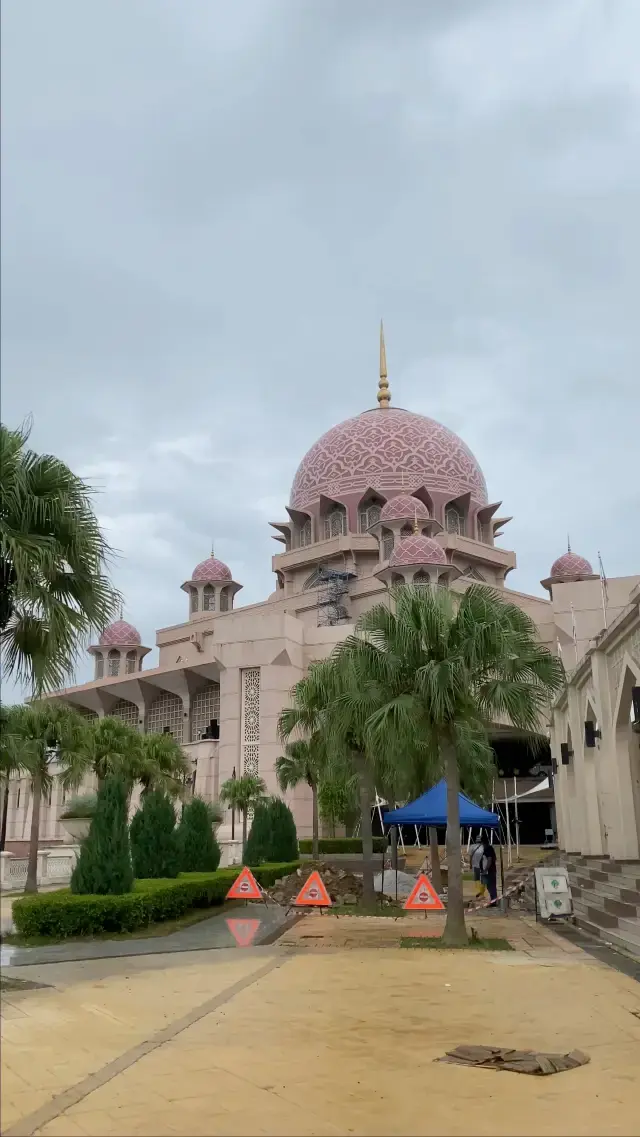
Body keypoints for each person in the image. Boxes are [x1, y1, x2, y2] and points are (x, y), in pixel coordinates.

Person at [480, 840, 498, 906]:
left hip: (489, 871)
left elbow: (489, 860)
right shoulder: (486, 849)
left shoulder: (488, 850)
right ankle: (493, 900)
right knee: (489, 886)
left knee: (491, 886)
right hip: (487, 871)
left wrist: (486, 869)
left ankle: (494, 901)